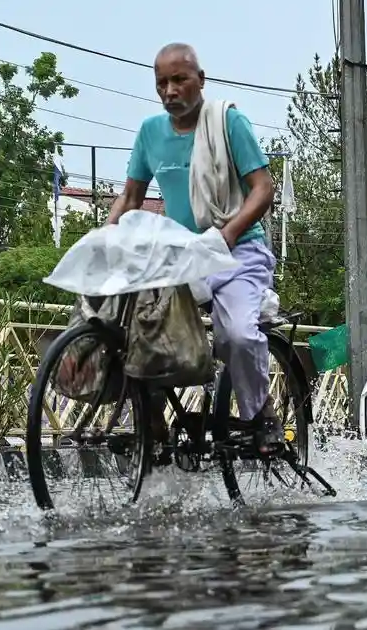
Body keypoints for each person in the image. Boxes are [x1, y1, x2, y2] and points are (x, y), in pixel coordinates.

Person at [106, 43, 281, 454]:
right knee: (132, 329)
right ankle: (151, 426)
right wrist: (104, 241)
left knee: (236, 334)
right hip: (181, 258)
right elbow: (130, 199)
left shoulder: (227, 123)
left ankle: (262, 414)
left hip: (237, 251)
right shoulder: (150, 133)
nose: (170, 90)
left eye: (179, 79)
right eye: (162, 83)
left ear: (200, 80)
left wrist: (229, 233)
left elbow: (263, 190)